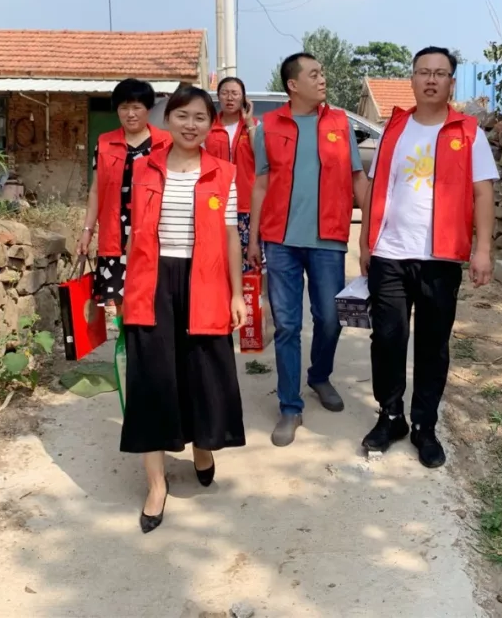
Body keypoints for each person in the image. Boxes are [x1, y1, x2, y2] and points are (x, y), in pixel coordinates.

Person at [358, 46, 498, 468]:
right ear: (413, 79)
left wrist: (483, 249)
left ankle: (424, 425)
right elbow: (375, 187)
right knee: (387, 339)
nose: (431, 79)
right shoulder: (394, 129)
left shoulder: (468, 132)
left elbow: (483, 193)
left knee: (433, 345)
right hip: (389, 253)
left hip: (441, 258)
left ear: (451, 82)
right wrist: (365, 243)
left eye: (440, 73)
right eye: (423, 72)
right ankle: (391, 416)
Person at [120, 86, 247, 534]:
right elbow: (133, 234)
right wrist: (124, 289)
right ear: (167, 119)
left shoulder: (224, 173)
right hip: (151, 282)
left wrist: (237, 294)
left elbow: (231, 237)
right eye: (182, 116)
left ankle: (203, 445)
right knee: (151, 381)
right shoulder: (144, 168)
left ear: (211, 124)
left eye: (200, 118)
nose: (191, 125)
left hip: (205, 282)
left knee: (202, 374)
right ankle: (156, 485)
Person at [248, 53, 369, 447]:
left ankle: (319, 375)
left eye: (322, 73)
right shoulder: (267, 127)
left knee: (330, 319)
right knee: (287, 325)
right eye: (314, 74)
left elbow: (358, 179)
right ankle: (290, 406)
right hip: (280, 241)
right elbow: (261, 184)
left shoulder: (340, 123)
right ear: (293, 85)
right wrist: (253, 239)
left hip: (328, 239)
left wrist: (369, 232)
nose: (322, 79)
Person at [77, 78, 171, 309]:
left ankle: (142, 335)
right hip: (114, 234)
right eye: (124, 108)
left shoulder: (166, 143)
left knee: (152, 299)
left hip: (154, 233)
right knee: (115, 303)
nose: (130, 114)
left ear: (148, 109)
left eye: (137, 107)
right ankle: (121, 334)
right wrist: (87, 231)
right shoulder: (104, 143)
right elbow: (96, 190)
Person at [205, 76, 257, 271]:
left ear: (243, 97)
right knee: (217, 261)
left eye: (235, 93)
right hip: (215, 203)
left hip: (246, 205)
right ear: (218, 96)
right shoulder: (208, 127)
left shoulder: (254, 125)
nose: (229, 97)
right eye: (225, 93)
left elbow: (261, 155)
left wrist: (249, 122)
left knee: (248, 265)